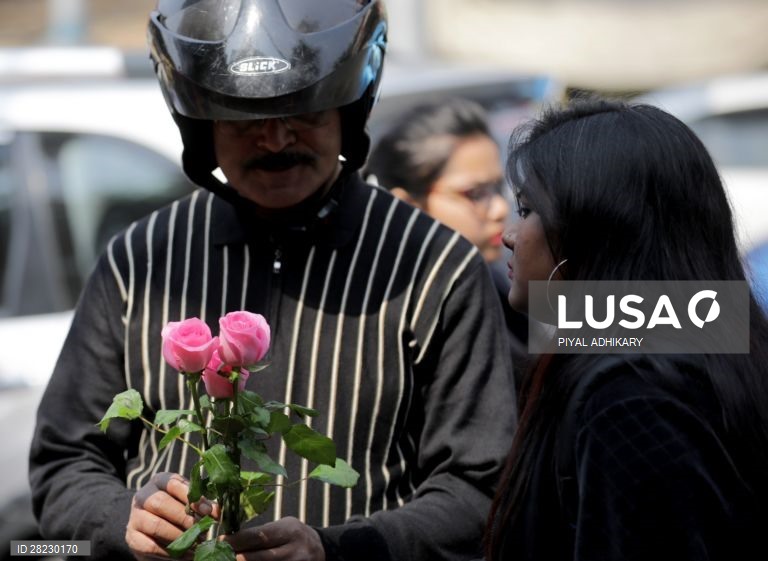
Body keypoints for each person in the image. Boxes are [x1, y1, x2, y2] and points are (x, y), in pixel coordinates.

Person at [28, 2, 516, 561]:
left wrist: (338, 550)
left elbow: (482, 487)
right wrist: (122, 521)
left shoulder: (437, 267)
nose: (276, 139)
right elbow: (64, 459)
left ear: (348, 111)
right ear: (201, 123)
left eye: (304, 112)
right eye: (245, 119)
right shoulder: (138, 261)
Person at [486, 98, 768, 560]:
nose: (510, 235)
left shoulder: (632, 397)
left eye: (528, 208)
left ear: (597, 227)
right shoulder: (711, 340)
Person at [364, 98, 529, 364]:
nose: (499, 209)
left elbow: (605, 327)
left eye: (498, 188)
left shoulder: (495, 279)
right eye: (475, 194)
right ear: (407, 206)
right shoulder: (394, 315)